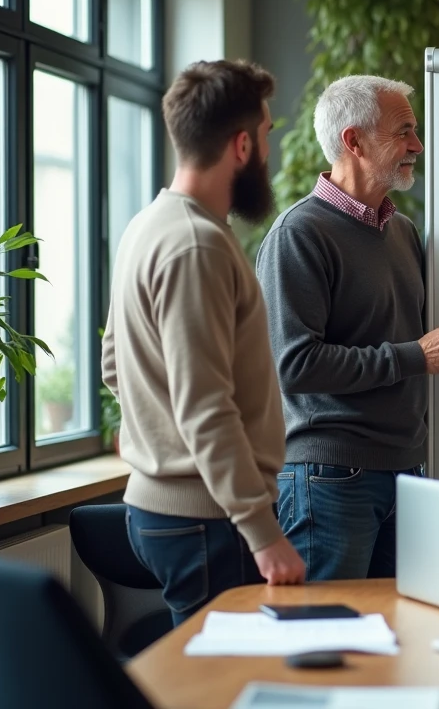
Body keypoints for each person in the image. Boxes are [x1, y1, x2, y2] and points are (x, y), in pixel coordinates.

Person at [255, 75, 439, 581]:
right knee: (328, 624)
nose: (417, 146)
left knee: (405, 624)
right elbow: (294, 364)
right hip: (330, 476)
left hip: (407, 473)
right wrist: (416, 356)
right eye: (404, 132)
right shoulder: (298, 234)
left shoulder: (402, 232)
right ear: (354, 141)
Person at [103, 60, 306, 627]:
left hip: (171, 511)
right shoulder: (197, 245)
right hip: (208, 520)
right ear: (241, 145)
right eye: (266, 135)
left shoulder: (148, 225)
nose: (269, 151)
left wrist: (158, 437)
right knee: (225, 674)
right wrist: (263, 534)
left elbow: (115, 363)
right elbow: (206, 407)